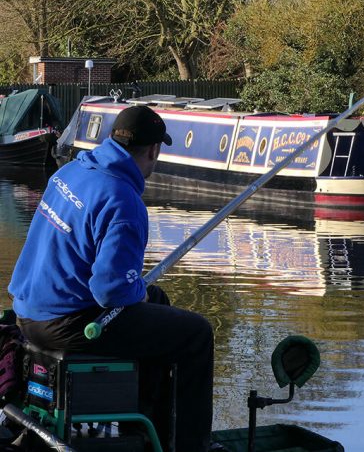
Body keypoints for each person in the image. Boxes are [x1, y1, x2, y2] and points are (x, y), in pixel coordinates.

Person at [9, 105, 214, 452]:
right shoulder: (124, 200)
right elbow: (111, 291)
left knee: (158, 301)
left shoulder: (71, 171)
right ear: (153, 151)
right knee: (196, 335)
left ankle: (147, 426)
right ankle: (190, 445)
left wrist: (143, 294)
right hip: (66, 322)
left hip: (27, 311)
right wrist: (136, 292)